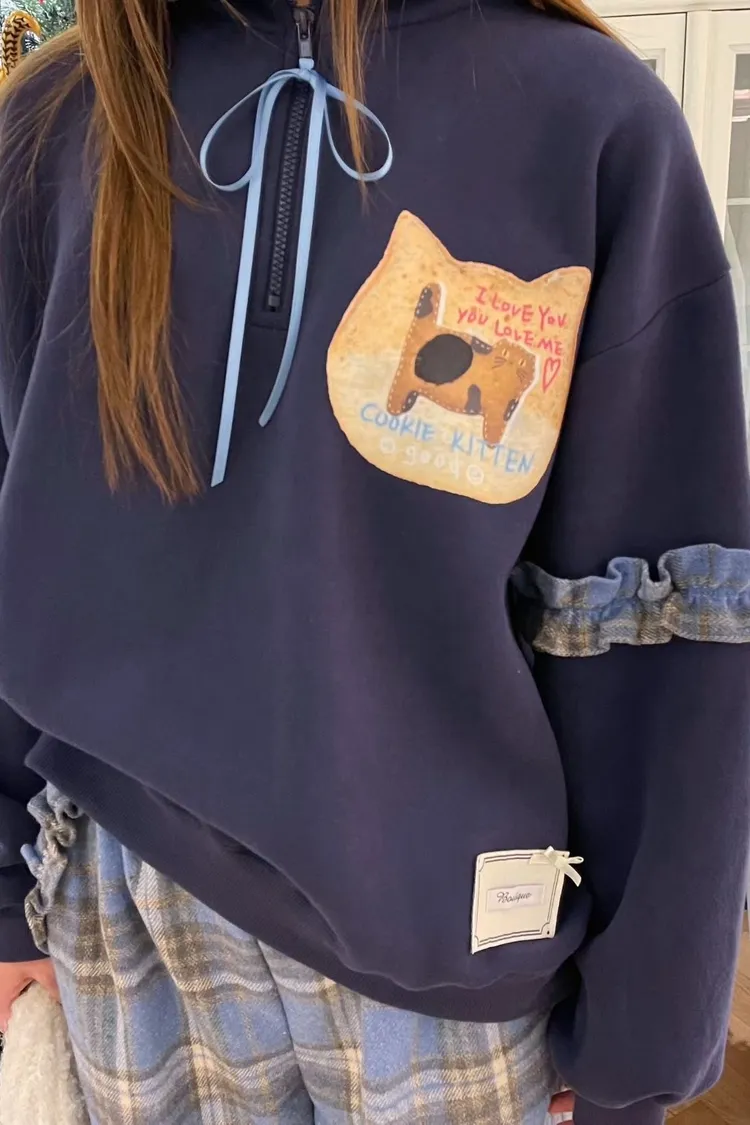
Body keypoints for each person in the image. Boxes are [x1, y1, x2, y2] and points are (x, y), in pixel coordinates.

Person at [0, 0, 748, 1120]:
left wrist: (643, 1033)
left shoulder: (585, 119)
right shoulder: (60, 124)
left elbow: (664, 621)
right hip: (126, 924)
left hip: (452, 957)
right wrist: (6, 894)